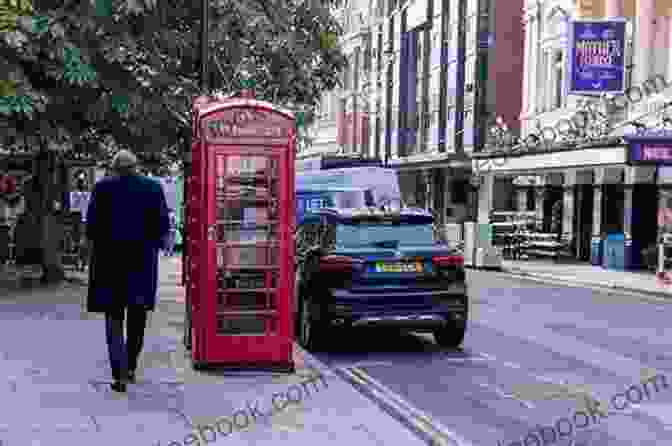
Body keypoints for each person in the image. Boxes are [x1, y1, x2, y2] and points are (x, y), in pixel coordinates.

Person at [86, 150, 170, 393]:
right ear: (137, 167)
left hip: (108, 264)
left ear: (114, 168)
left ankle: (119, 373)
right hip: (141, 264)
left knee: (113, 319)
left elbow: (91, 227)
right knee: (137, 317)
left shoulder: (102, 189)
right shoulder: (153, 188)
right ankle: (131, 366)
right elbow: (163, 227)